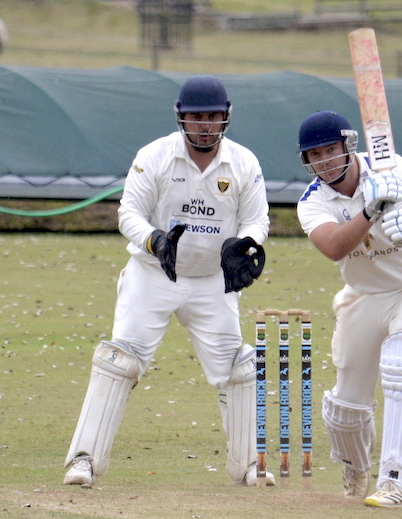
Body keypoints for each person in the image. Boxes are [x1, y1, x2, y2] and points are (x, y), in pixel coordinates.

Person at [63, 75, 271, 488]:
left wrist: (246, 243)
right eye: (197, 117)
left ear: (226, 118)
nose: (205, 126)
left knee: (238, 368)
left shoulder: (244, 162)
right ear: (181, 118)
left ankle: (249, 465)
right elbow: (129, 213)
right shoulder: (154, 156)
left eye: (213, 117)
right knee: (118, 360)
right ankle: (83, 460)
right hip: (154, 274)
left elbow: (257, 217)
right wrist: (154, 239)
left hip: (213, 281)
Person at [295, 111, 402, 508]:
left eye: (330, 150)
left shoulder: (391, 166)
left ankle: (398, 483)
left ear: (347, 145)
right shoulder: (311, 202)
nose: (324, 161)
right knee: (345, 410)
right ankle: (355, 464)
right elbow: (333, 248)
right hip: (364, 294)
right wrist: (370, 211)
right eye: (314, 155)